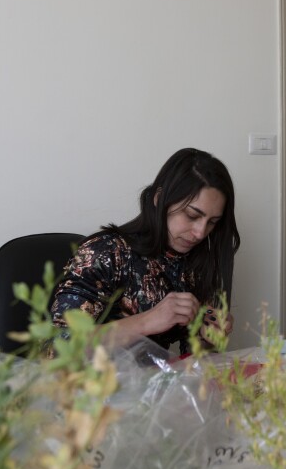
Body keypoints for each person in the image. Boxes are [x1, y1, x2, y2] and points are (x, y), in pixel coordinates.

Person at [50, 148, 241, 354]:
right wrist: (146, 321)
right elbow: (57, 348)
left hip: (156, 382)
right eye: (192, 216)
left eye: (212, 222)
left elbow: (190, 359)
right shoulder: (107, 253)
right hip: (93, 383)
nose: (200, 232)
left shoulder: (196, 261)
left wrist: (208, 338)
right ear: (160, 199)